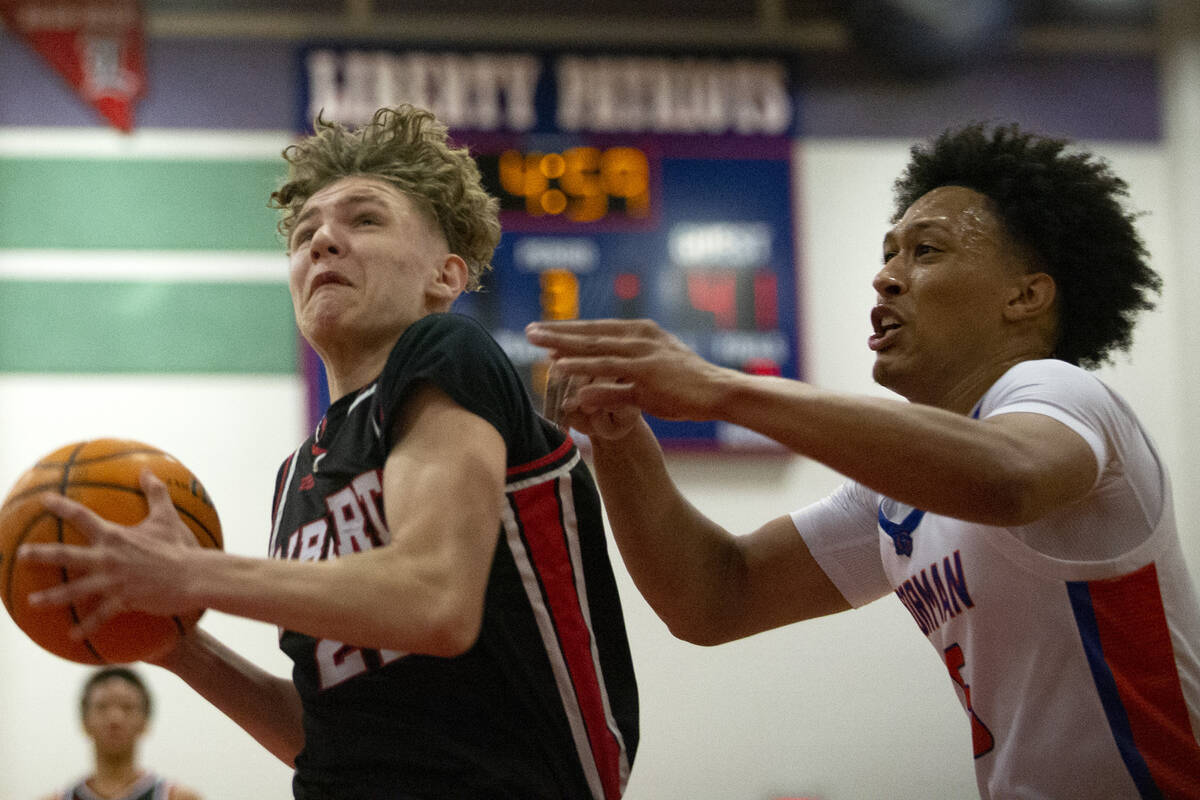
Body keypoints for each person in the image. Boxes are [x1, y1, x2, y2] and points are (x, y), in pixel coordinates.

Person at [525, 122, 1200, 798]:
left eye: (925, 251)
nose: (886, 277)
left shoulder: (1057, 389)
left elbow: (1009, 480)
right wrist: (619, 441)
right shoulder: (899, 496)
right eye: (888, 254)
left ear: (1026, 296)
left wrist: (721, 389)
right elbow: (715, 597)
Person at [20, 104, 638, 799]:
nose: (322, 243)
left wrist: (191, 575)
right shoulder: (297, 477)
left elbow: (436, 600)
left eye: (364, 220)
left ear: (446, 275)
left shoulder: (448, 351)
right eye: (306, 232)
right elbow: (327, 738)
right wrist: (180, 647)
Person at [42, 666, 202, 800]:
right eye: (102, 707)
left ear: (145, 722)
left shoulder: (177, 797)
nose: (115, 718)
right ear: (84, 722)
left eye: (127, 707)